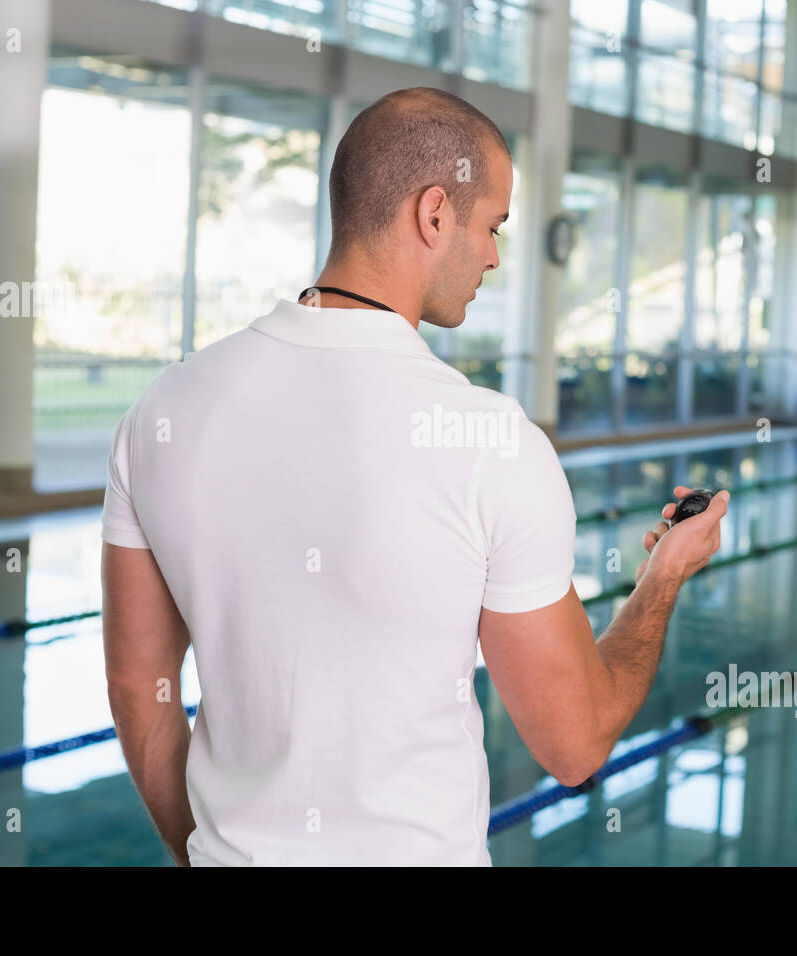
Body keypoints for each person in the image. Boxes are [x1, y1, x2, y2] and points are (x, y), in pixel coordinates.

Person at [100, 86, 726, 867]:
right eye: (492, 225)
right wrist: (661, 580)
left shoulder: (164, 408)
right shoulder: (492, 442)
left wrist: (195, 857)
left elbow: (138, 692)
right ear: (435, 214)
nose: (495, 256)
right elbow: (575, 743)